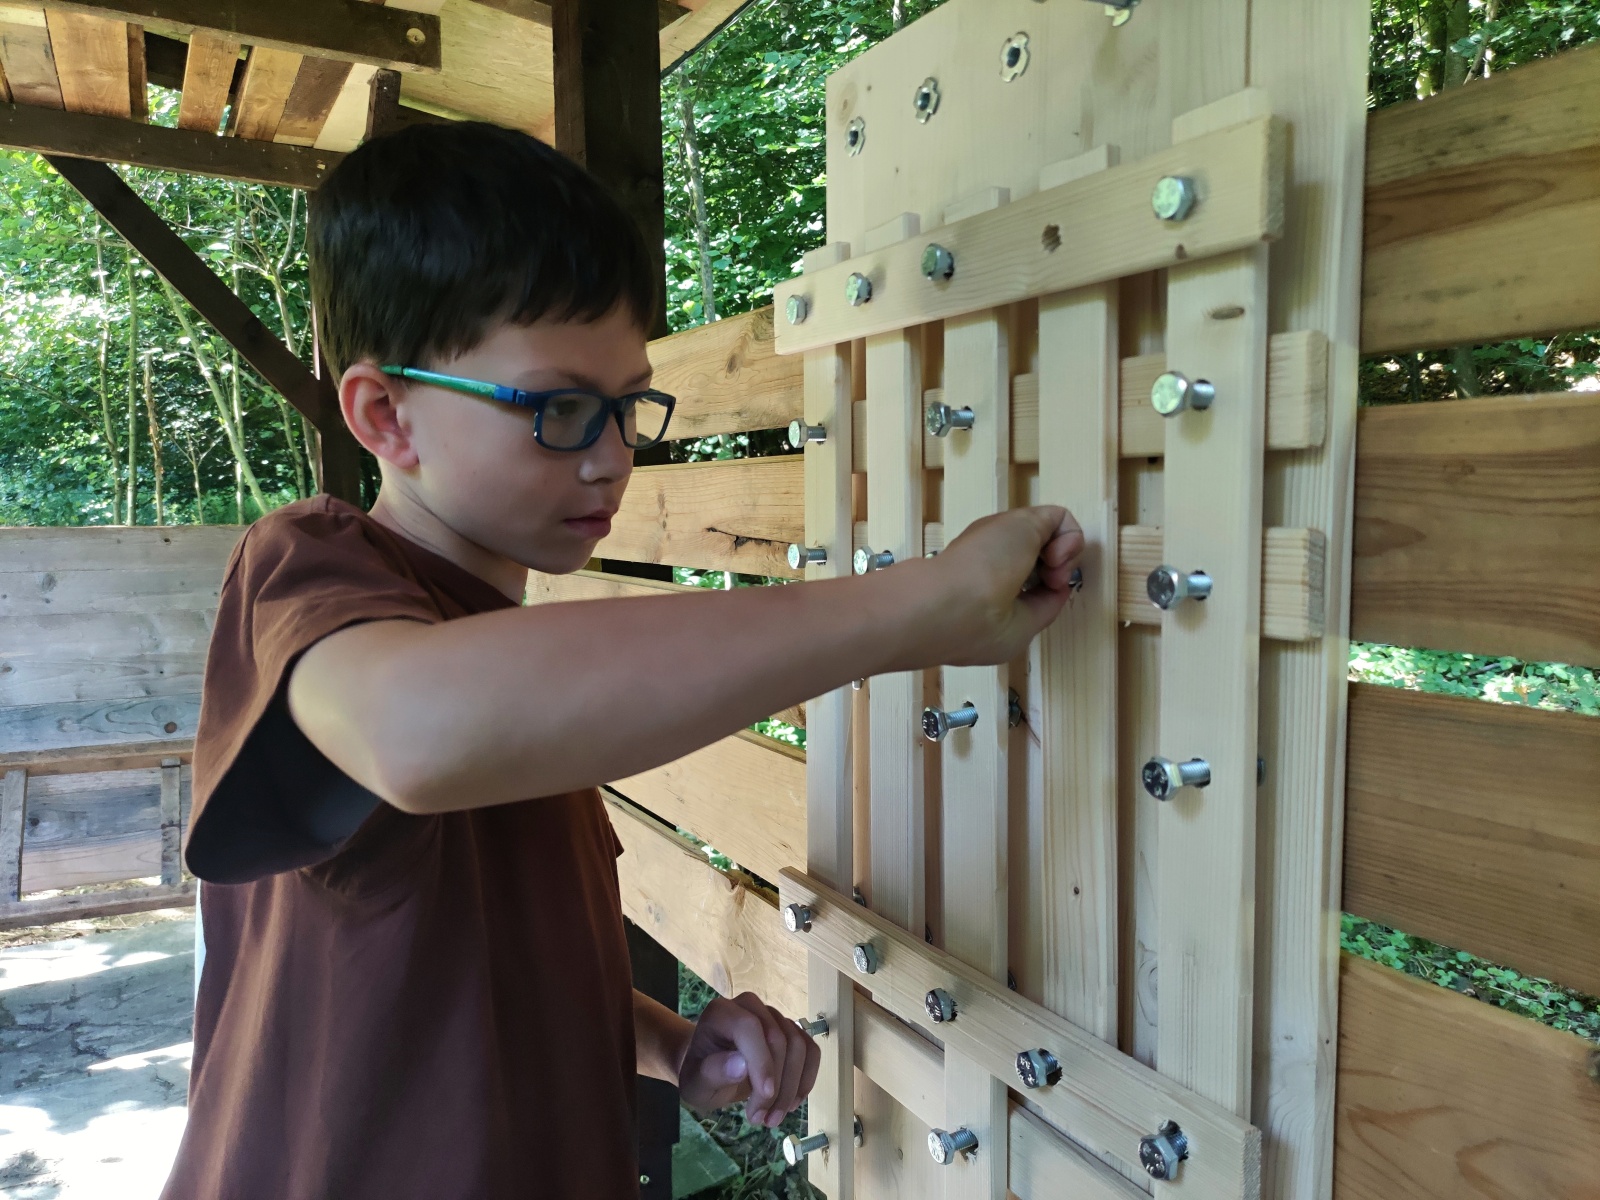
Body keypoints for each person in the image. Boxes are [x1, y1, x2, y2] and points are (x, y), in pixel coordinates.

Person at [161, 121, 1084, 1200]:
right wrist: (920, 607)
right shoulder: (309, 568)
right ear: (385, 416)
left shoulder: (523, 679)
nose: (611, 459)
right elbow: (413, 733)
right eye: (558, 408)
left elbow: (480, 967)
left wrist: (670, 1044)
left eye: (626, 407)